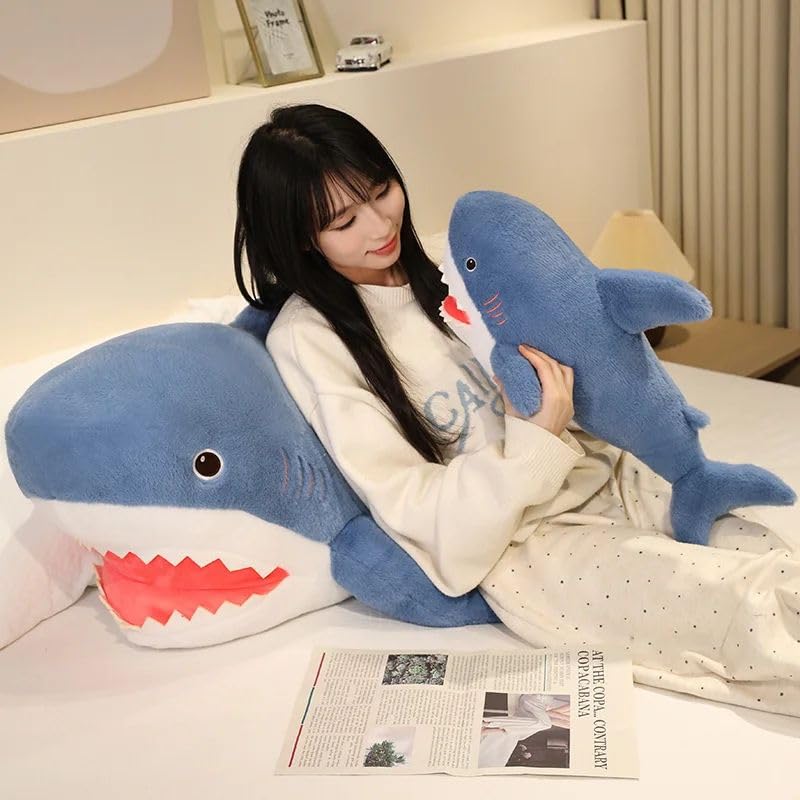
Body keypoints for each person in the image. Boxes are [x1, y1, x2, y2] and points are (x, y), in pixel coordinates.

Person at [233, 103, 800, 718]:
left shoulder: (456, 265)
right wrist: (533, 443)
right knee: (742, 605)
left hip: (609, 471)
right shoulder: (311, 341)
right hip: (528, 542)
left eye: (381, 191)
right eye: (344, 220)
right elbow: (410, 505)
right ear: (301, 239)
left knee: (773, 559)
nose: (379, 226)